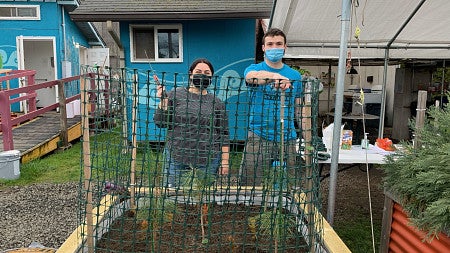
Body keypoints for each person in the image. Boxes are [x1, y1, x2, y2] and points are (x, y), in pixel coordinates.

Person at [240, 28, 305, 187]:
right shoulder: (253, 69)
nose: (274, 48)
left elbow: (300, 109)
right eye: (269, 44)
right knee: (251, 183)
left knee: (289, 184)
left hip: (287, 137)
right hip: (258, 135)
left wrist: (307, 137)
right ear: (263, 48)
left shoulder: (295, 75)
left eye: (278, 44)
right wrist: (275, 77)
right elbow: (250, 78)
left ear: (285, 47)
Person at [153, 58, 230, 187]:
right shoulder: (175, 94)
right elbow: (160, 123)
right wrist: (163, 103)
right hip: (176, 157)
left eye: (207, 73)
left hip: (207, 160)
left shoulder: (216, 102)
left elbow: (223, 133)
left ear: (211, 77)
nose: (202, 75)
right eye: (198, 71)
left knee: (202, 199)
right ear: (190, 74)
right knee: (174, 197)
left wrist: (225, 161)